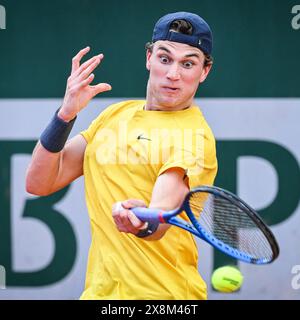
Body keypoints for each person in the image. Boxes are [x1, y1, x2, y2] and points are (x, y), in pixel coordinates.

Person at [26, 11, 218, 300]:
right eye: (165, 59)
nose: (173, 74)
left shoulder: (194, 138)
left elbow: (161, 216)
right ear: (149, 58)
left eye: (188, 63)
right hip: (100, 295)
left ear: (204, 72)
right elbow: (39, 182)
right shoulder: (114, 115)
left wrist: (143, 222)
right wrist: (65, 115)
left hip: (164, 298)